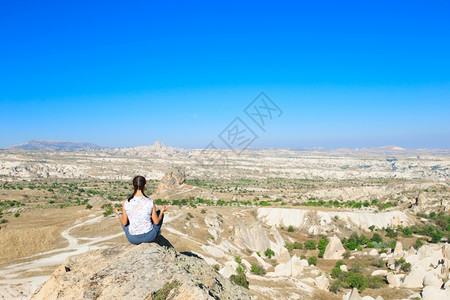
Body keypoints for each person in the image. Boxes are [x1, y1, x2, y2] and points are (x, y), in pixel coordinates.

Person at [116, 175, 168, 244]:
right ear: (145, 185)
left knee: (123, 221)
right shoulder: (150, 202)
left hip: (132, 239)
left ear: (133, 186)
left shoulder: (126, 203)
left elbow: (125, 222)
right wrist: (161, 211)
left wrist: (119, 214)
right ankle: (156, 234)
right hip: (149, 237)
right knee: (158, 213)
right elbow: (156, 222)